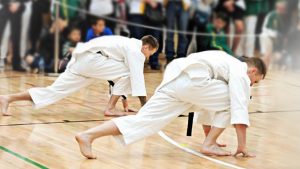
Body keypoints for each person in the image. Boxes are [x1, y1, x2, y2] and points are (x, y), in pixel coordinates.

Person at [75, 50, 267, 159]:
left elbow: (209, 104)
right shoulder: (240, 71)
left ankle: (87, 136)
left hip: (176, 82)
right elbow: (238, 108)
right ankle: (208, 144)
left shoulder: (225, 61)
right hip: (194, 82)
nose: (253, 84)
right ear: (252, 70)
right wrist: (241, 146)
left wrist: (211, 135)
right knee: (240, 98)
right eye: (256, 80)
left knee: (144, 121)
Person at [0, 35, 159, 116]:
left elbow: (115, 77)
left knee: (53, 91)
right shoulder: (136, 51)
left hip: (83, 61)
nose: (149, 57)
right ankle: (110, 108)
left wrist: (124, 102)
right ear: (146, 47)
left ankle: (7, 98)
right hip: (91, 61)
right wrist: (145, 109)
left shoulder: (128, 44)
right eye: (151, 53)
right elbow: (136, 79)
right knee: (128, 72)